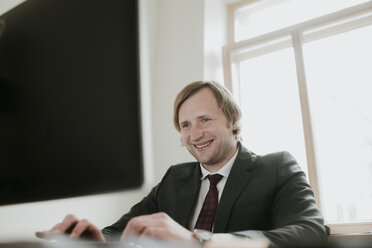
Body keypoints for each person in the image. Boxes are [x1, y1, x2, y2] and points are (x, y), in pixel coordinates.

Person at [36, 81, 329, 247]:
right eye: (185, 125)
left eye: (205, 120)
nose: (195, 134)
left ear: (233, 120)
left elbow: (310, 232)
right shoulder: (175, 178)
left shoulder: (276, 167)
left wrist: (199, 241)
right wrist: (93, 240)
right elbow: (123, 229)